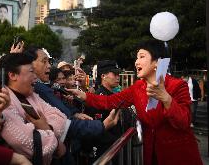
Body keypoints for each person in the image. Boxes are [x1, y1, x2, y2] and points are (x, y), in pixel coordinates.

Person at [67, 39, 203, 165]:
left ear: (157, 62)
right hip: (151, 156)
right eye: (137, 57)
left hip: (179, 156)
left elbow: (184, 121)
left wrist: (166, 99)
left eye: (142, 57)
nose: (136, 62)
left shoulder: (177, 86)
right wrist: (84, 96)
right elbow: (110, 101)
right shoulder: (138, 87)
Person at [0, 53, 67, 165]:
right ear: (13, 75)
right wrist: (57, 143)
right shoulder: (2, 101)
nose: (35, 76)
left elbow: (60, 116)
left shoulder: (31, 95)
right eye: (31, 71)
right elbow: (29, 143)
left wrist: (46, 127)